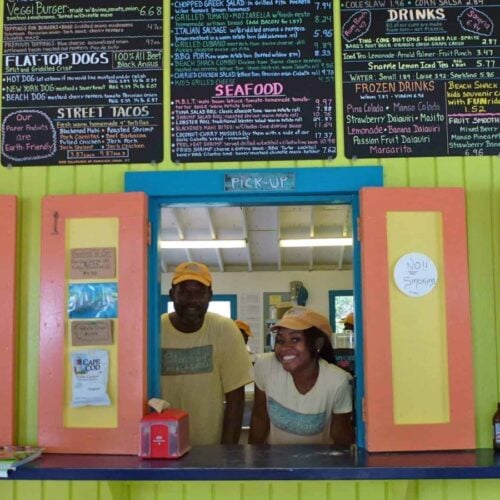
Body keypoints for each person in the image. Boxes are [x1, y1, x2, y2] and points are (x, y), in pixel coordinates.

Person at [160, 262, 252, 445]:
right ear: (172, 295)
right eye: (184, 292)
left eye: (199, 293)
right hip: (161, 443)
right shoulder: (154, 329)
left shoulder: (225, 329)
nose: (192, 300)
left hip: (210, 447)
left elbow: (236, 399)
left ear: (210, 296)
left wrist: (227, 454)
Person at [249, 306, 354, 446]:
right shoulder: (265, 366)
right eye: (280, 341)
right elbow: (260, 418)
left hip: (319, 464)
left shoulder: (337, 381)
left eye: (295, 339)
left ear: (318, 343)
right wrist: (254, 463)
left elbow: (341, 436)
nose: (285, 347)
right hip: (275, 464)